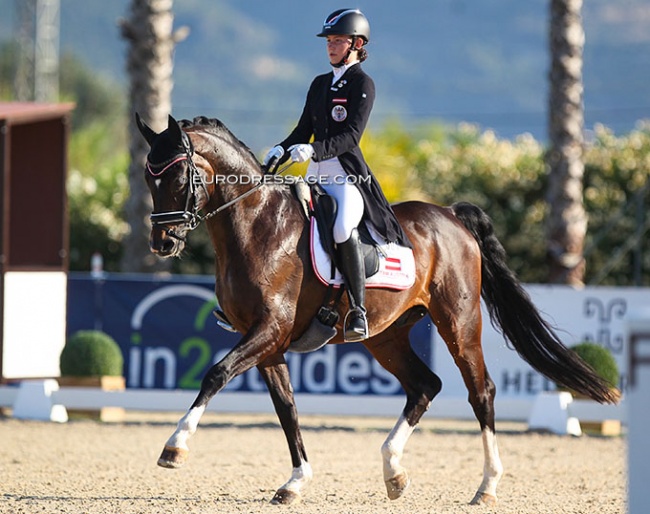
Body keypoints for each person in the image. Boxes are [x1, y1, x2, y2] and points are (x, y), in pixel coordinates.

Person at [263, 8, 410, 342]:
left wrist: (314, 150)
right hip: (316, 172)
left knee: (343, 226)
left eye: (338, 41)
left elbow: (351, 137)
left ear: (356, 43)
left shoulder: (362, 83)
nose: (331, 47)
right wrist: (282, 148)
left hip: (346, 175)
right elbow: (303, 130)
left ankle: (357, 309)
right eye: (329, 41)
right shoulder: (319, 84)